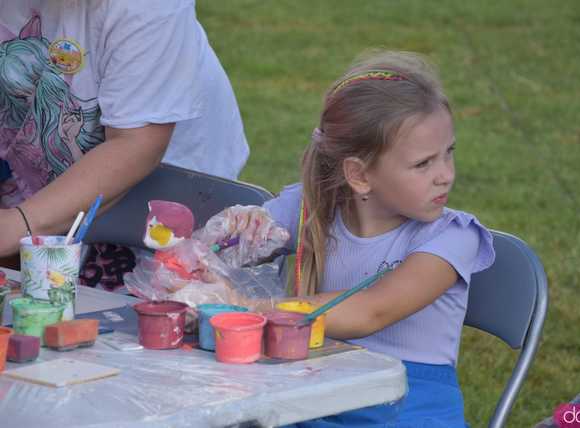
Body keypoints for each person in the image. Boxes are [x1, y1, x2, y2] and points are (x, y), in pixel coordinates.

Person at [215, 50, 495, 427]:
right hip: (317, 400)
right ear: (360, 175)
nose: (445, 174)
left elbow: (371, 311)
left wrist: (252, 307)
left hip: (407, 410)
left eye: (448, 154)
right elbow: (232, 245)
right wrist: (239, 229)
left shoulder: (453, 238)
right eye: (423, 163)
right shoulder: (310, 207)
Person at [0, 1, 249, 269]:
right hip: (37, 189)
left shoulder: (149, 7)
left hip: (159, 217)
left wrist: (18, 225)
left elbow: (136, 145)